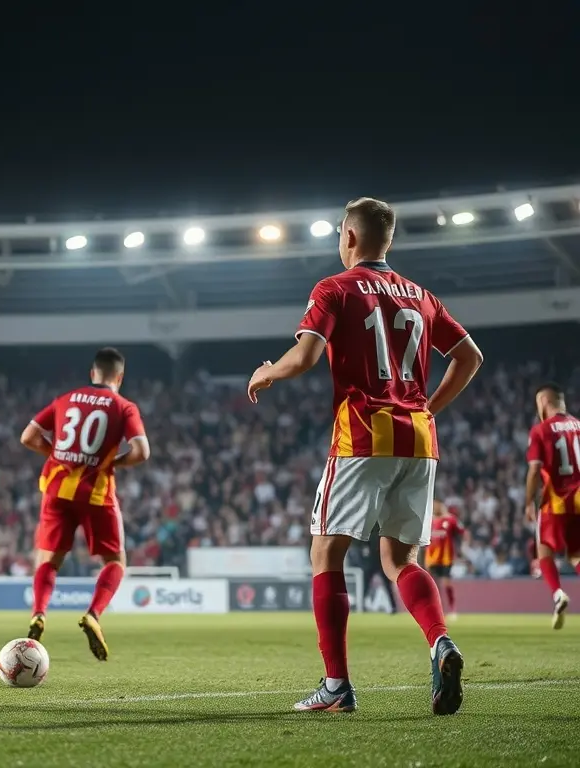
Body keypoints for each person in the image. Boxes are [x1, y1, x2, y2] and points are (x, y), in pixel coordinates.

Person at [247, 197, 483, 715]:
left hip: (362, 435)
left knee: (326, 553)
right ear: (389, 240)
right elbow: (470, 356)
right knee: (401, 559)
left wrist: (267, 371)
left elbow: (306, 356)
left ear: (349, 237)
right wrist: (428, 407)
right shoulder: (420, 295)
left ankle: (336, 685)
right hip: (418, 440)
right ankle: (440, 642)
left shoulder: (334, 288)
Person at [19, 347, 150, 660]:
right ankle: (93, 614)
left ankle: (38, 612)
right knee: (115, 562)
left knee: (48, 560)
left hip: (56, 489)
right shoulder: (124, 406)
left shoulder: (66, 399)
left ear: (93, 374)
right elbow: (142, 451)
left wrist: (58, 455)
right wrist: (111, 462)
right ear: (119, 377)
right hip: (96, 492)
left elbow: (28, 437)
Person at [524, 382, 580, 629]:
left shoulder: (541, 430)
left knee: (544, 549)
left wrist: (528, 502)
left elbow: (535, 469)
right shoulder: (579, 425)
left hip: (555, 500)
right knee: (577, 555)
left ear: (545, 402)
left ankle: (557, 593)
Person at [424, 500, 464, 620]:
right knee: (433, 585)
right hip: (431, 558)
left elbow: (461, 532)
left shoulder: (450, 519)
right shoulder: (428, 521)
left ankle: (452, 609)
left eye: (437, 505)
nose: (435, 507)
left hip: (446, 558)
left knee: (446, 583)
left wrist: (460, 549)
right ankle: (436, 610)